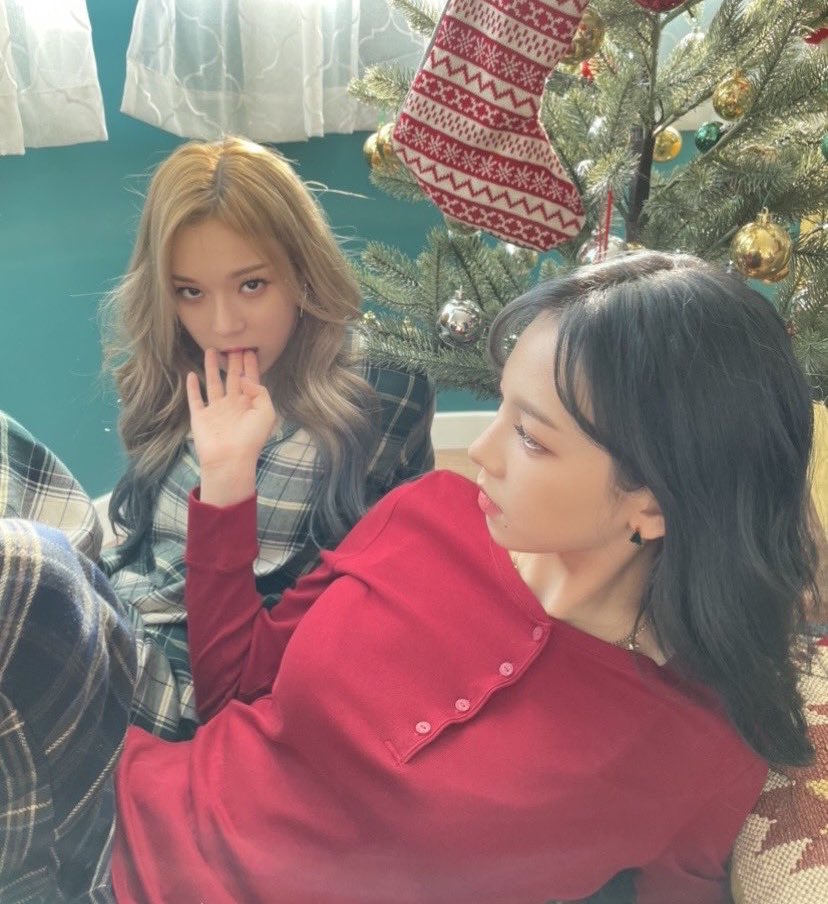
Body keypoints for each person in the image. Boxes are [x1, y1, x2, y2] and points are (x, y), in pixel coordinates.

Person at [0, 251, 822, 903]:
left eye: (532, 438)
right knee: (27, 566)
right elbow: (237, 683)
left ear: (657, 499)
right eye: (500, 408)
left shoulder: (699, 748)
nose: (483, 451)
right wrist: (227, 480)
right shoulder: (428, 513)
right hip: (114, 808)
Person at [98, 136, 435, 739]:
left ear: (302, 270)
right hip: (117, 617)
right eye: (190, 291)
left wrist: (228, 477)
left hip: (195, 689)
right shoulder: (180, 364)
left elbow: (267, 666)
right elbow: (140, 546)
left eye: (251, 284)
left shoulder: (377, 388)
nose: (223, 325)